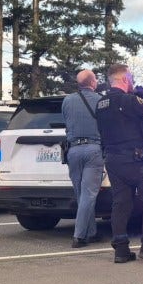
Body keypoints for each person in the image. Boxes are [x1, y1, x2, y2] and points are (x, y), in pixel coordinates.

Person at [96, 63, 143, 263]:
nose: (132, 81)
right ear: (124, 79)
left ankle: (121, 250)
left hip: (112, 159)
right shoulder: (128, 100)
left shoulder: (101, 103)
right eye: (130, 78)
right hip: (134, 159)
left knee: (121, 203)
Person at [61, 69, 105, 248]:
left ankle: (91, 232)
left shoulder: (67, 101)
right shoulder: (101, 101)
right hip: (94, 149)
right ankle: (79, 236)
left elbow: (67, 121)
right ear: (93, 82)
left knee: (81, 193)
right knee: (89, 193)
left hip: (73, 150)